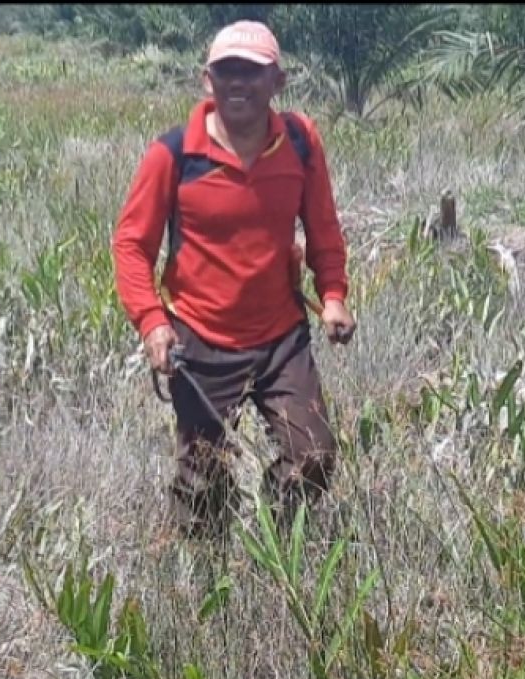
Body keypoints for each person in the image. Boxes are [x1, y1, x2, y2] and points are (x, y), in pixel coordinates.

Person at [111, 19, 356, 540]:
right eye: (227, 71)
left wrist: (333, 294)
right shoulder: (174, 154)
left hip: (281, 338)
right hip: (200, 340)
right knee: (204, 481)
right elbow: (132, 245)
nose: (238, 82)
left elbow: (323, 228)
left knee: (313, 456)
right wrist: (153, 323)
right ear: (208, 80)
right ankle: (209, 583)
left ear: (277, 82)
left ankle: (279, 540)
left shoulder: (299, 141)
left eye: (252, 71)